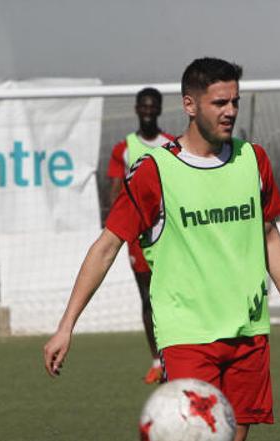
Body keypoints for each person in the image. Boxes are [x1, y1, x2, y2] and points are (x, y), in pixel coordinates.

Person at [43, 57, 280, 441]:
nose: (230, 110)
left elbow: (270, 235)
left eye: (234, 100)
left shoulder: (254, 160)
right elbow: (106, 245)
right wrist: (67, 325)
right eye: (219, 102)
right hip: (187, 335)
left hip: (249, 332)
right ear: (190, 105)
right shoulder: (155, 171)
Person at [106, 87, 177, 384]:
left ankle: (176, 355)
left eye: (153, 107)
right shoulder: (124, 148)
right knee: (148, 298)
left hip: (170, 234)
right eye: (143, 107)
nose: (148, 111)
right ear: (137, 109)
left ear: (158, 109)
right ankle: (156, 361)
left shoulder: (172, 145)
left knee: (172, 296)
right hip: (139, 235)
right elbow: (114, 191)